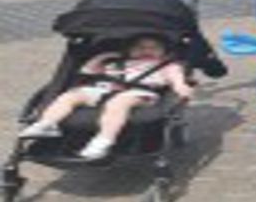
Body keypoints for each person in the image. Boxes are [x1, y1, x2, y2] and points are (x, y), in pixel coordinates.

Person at [18, 36, 194, 160]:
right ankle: (46, 124)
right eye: (140, 47)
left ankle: (104, 140)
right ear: (128, 50)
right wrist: (103, 57)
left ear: (165, 52)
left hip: (140, 93)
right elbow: (86, 72)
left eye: (153, 48)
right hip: (103, 89)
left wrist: (182, 87)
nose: (146, 51)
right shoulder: (116, 62)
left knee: (118, 103)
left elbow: (177, 79)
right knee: (71, 95)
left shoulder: (167, 65)